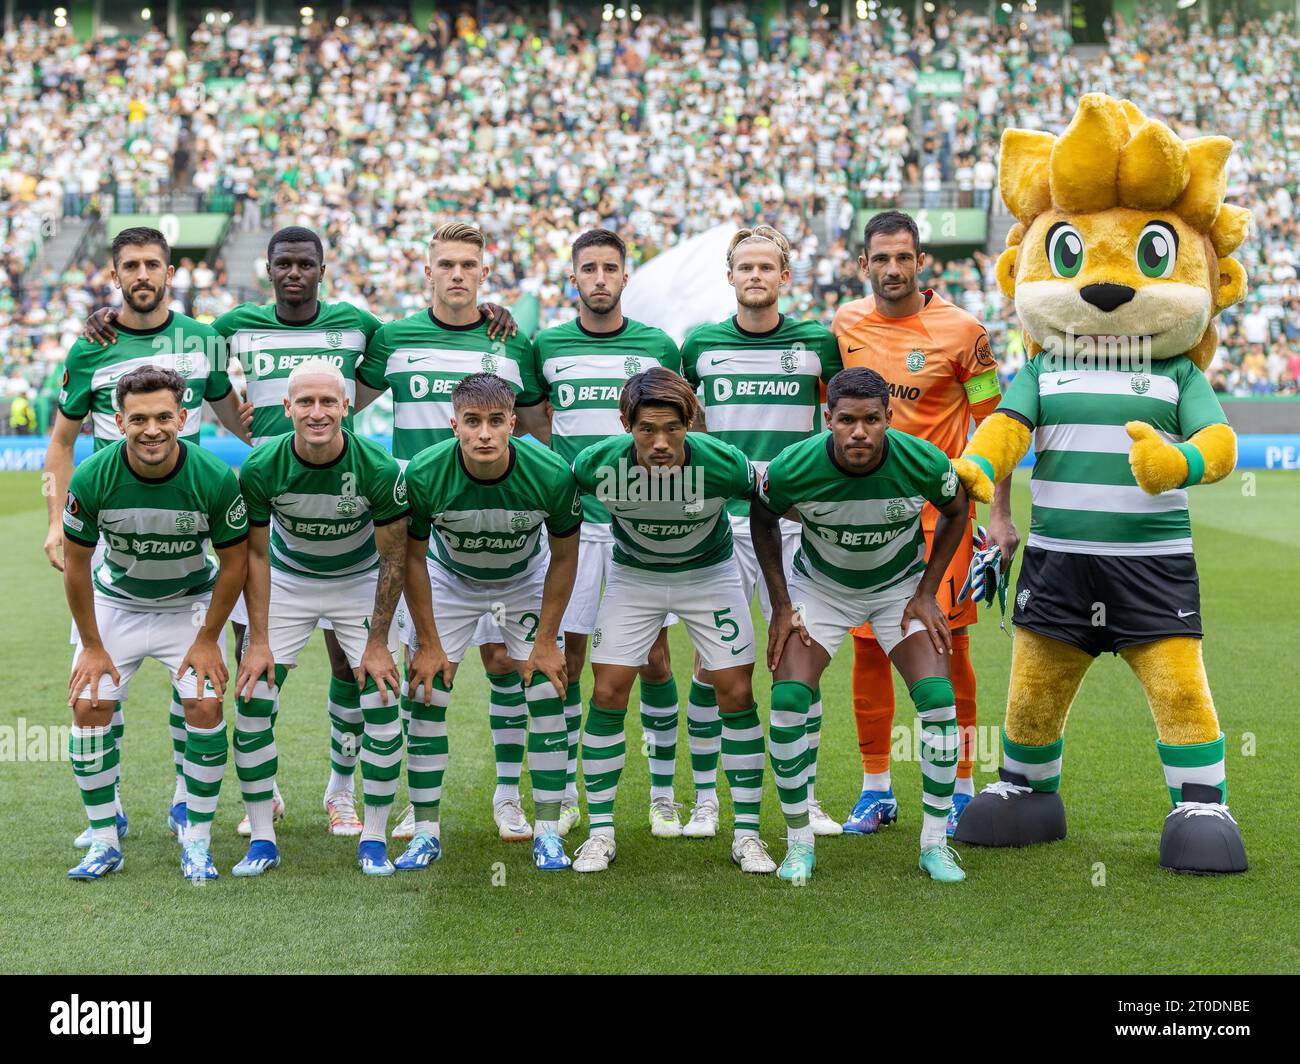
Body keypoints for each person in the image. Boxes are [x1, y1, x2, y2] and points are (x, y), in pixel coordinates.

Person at [82, 224, 516, 840]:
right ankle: (265, 795)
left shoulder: (364, 328)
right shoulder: (230, 328)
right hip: (272, 499)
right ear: (268, 269)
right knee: (250, 662)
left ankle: (341, 789)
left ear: (320, 268)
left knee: (352, 663)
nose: (293, 273)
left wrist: (487, 313)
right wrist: (111, 316)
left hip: (344, 513)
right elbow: (170, 333)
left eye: (304, 263)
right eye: (283, 263)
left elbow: (429, 335)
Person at [49, 226, 249, 849]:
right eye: (130, 265)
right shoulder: (90, 347)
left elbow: (236, 419)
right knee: (94, 696)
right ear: (115, 274)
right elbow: (61, 441)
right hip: (114, 522)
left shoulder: (203, 340)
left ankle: (186, 804)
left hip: (186, 524)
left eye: (153, 264)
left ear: (170, 273)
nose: (142, 274)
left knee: (194, 689)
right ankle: (106, 819)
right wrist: (57, 519)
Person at [357, 221, 548, 845]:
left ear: (484, 273)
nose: (458, 274)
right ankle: (422, 808)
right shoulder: (394, 338)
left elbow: (540, 428)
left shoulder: (513, 342)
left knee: (505, 664)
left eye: (469, 263)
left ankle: (509, 794)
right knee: (425, 671)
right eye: (446, 264)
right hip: (425, 530)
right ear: (428, 271)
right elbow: (338, 399)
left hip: (504, 523)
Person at [832, 209, 1018, 836]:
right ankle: (876, 789)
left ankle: (961, 786)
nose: (892, 269)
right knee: (867, 649)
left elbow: (997, 425)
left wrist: (999, 513)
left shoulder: (965, 331)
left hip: (942, 521)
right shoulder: (845, 323)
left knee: (948, 644)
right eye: (880, 259)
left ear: (920, 262)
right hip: (864, 520)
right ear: (863, 265)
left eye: (903, 257)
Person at [752, 367, 969, 883]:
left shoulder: (920, 460)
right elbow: (761, 516)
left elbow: (957, 510)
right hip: (821, 591)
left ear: (888, 418)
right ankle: (799, 843)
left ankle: (935, 845)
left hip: (898, 592)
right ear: (827, 419)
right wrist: (783, 604)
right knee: (787, 701)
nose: (859, 432)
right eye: (846, 419)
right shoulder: (793, 466)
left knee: (940, 700)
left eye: (872, 419)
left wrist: (926, 591)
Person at [567, 368, 775, 876]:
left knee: (736, 691)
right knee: (609, 689)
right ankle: (599, 833)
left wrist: (784, 600)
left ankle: (747, 833)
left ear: (690, 422)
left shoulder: (724, 464)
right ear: (625, 424)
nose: (661, 443)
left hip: (709, 575)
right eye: (646, 430)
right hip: (634, 576)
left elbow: (770, 505)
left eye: (673, 429)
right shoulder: (593, 465)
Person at [678, 224, 843, 838]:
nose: (755, 276)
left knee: (803, 660)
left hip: (796, 524)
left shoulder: (816, 344)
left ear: (785, 278)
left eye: (766, 267)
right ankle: (704, 801)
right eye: (744, 267)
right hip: (718, 521)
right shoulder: (698, 345)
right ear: (730, 277)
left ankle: (807, 800)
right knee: (711, 665)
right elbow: (680, 424)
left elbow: (841, 422)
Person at [62, 366, 248, 881]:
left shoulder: (212, 476)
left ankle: (197, 840)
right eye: (138, 418)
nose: (152, 429)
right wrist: (93, 646)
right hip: (116, 603)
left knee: (206, 703)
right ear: (119, 422)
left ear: (183, 418)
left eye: (164, 417)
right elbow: (77, 567)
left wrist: (209, 637)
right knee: (88, 703)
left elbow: (234, 564)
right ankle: (103, 839)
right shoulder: (92, 476)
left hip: (189, 605)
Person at [233, 360, 408, 877]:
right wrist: (258, 638)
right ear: (286, 408)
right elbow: (256, 557)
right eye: (305, 402)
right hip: (288, 579)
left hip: (358, 580)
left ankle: (373, 839)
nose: (317, 412)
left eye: (328, 402)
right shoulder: (262, 466)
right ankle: (262, 836)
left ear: (346, 407)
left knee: (381, 696)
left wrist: (378, 641)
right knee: (253, 696)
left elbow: (395, 559)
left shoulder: (377, 468)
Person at [402, 372, 580, 871]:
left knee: (546, 688)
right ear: (453, 424)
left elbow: (565, 558)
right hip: (450, 579)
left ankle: (547, 832)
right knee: (426, 689)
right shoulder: (422, 473)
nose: (484, 434)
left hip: (522, 579)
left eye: (496, 422)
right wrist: (430, 643)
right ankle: (424, 832)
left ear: (513, 425)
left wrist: (545, 641)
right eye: (473, 422)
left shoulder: (550, 473)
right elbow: (412, 560)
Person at [536, 228, 681, 839]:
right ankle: (567, 789)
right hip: (576, 531)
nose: (599, 278)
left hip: (641, 527)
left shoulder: (656, 346)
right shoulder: (545, 345)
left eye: (610, 268)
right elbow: (534, 424)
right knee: (569, 658)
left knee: (652, 657)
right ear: (573, 278)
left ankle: (665, 792)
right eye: (588, 269)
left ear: (625, 277)